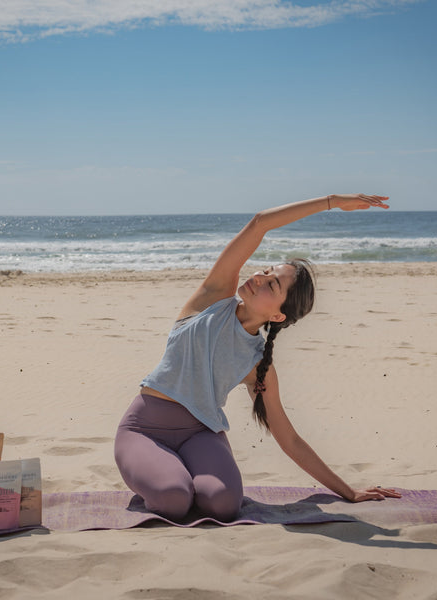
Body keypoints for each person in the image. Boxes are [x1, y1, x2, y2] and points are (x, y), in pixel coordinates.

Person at [114, 194, 401, 521]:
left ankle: (182, 472)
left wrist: (348, 491)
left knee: (222, 505)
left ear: (278, 316)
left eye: (272, 284)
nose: (259, 277)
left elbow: (288, 438)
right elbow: (260, 223)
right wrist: (332, 202)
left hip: (201, 435)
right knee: (173, 499)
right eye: (265, 270)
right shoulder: (213, 296)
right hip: (146, 429)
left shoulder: (257, 364)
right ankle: (164, 475)